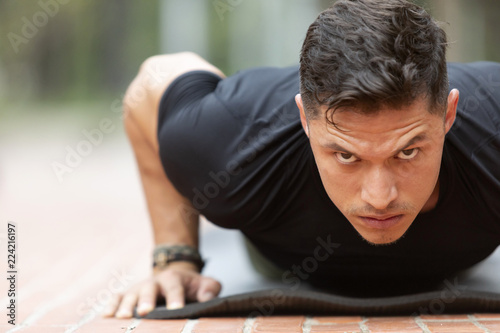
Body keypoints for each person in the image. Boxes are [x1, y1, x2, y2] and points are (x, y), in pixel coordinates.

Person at [103, 0, 500, 318]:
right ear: (304, 121)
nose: (380, 197)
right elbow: (153, 80)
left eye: (407, 151)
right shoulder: (233, 145)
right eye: (346, 155)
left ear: (448, 114)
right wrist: (175, 258)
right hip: (281, 257)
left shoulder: (492, 124)